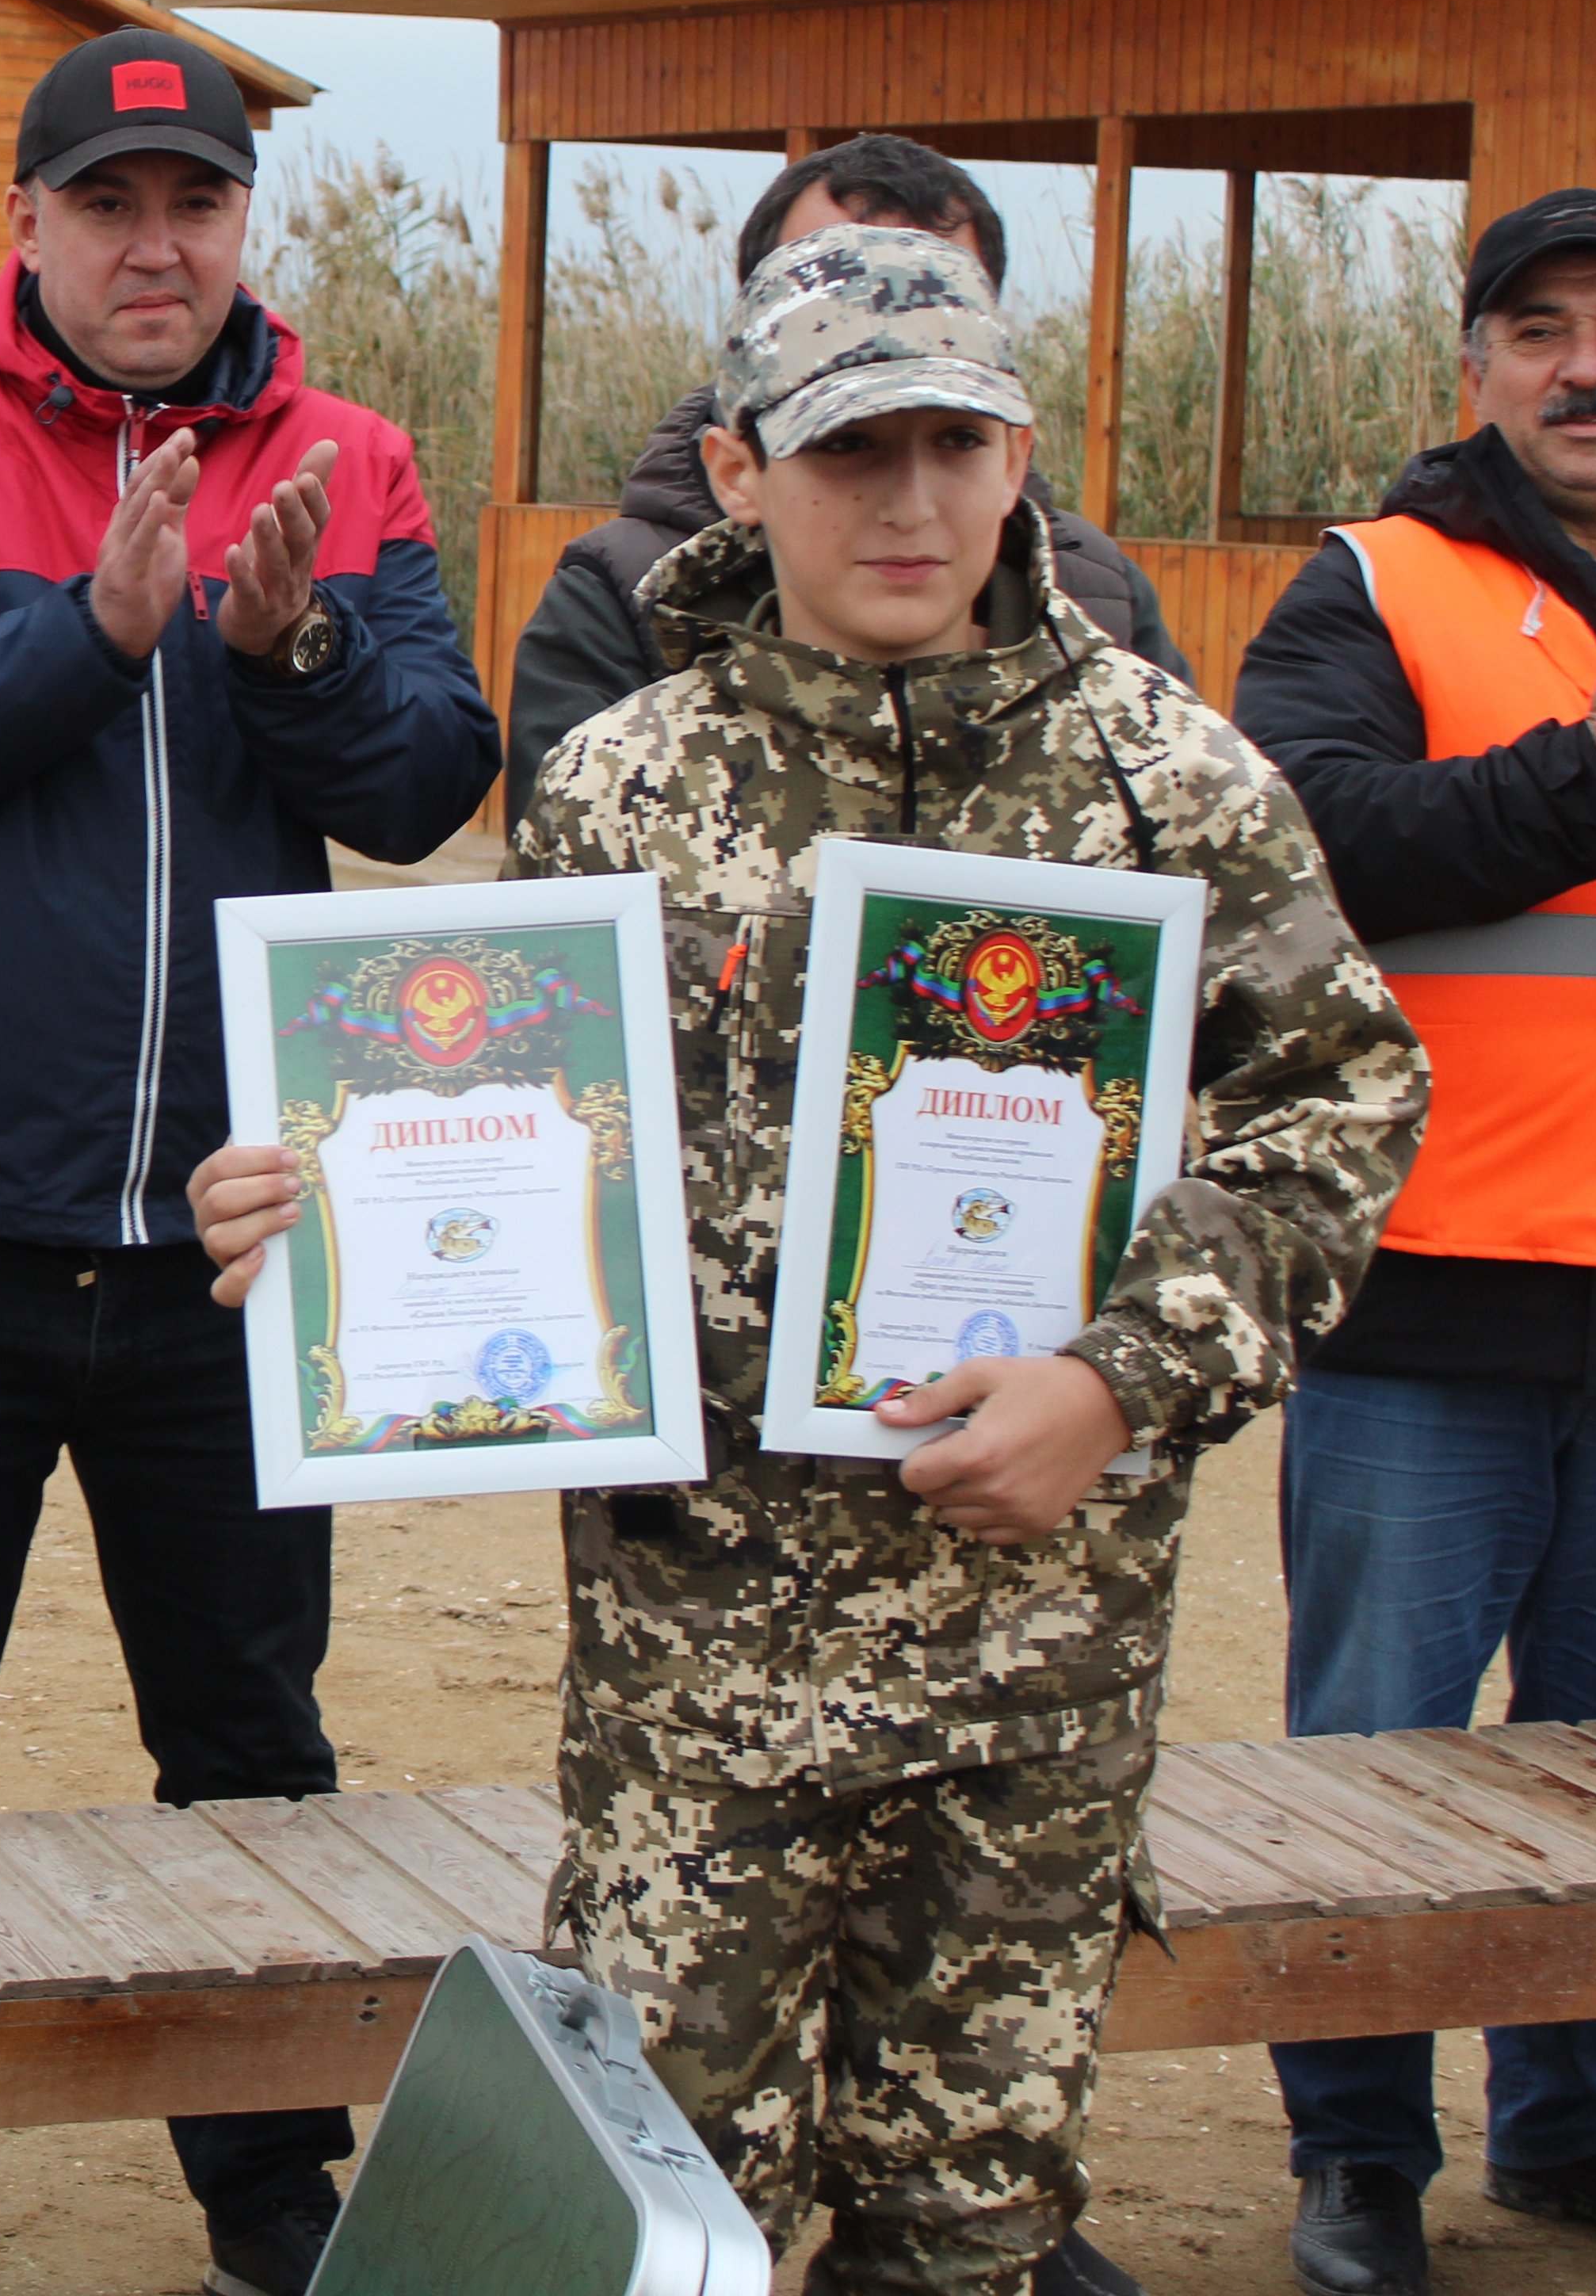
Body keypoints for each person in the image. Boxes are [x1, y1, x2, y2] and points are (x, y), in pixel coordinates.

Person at [205, 223, 1416, 2294]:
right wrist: (318, 1211)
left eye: (959, 444)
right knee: (666, 2214)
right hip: (701, 1681)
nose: (913, 500)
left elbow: (1339, 1105)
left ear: (1020, 459)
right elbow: (501, 1135)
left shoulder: (1169, 784)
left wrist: (1120, 1377)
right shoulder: (624, 789)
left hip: (1036, 1682)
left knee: (971, 2229)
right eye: (854, 449)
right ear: (741, 468)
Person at [0, 26, 501, 2296]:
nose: (153, 246)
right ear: (26, 222)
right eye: (105, 203)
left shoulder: (348, 458)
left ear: (242, 223)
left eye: (195, 203)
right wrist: (92, 633)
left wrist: (289, 643)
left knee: (248, 1736)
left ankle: (268, 2186)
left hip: (234, 1242)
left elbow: (423, 783)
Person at [1228, 189, 1596, 2296]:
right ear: (1475, 370)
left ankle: (1570, 2133)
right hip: (1430, 1286)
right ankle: (1357, 2155)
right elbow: (1324, 840)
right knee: (1376, 1764)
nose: (1582, 366)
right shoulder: (1375, 583)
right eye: (1538, 328)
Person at [497, 133, 1188, 826]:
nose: (910, 506)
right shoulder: (622, 653)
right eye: (827, 275)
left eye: (936, 286)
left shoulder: (1117, 635)